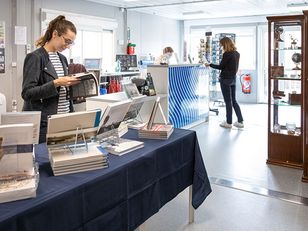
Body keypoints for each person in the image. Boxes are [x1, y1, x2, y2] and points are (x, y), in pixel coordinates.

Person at [21, 15, 80, 143]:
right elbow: (27, 93)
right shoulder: (35, 57)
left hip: (64, 119)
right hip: (44, 123)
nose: (68, 46)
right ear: (55, 34)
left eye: (71, 43)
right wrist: (56, 83)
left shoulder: (62, 59)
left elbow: (63, 91)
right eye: (67, 41)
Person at [205, 37, 244, 129]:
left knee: (228, 101)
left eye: (221, 44)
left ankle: (229, 122)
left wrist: (209, 64)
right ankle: (240, 121)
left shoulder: (227, 54)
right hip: (233, 79)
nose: (220, 46)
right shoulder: (237, 54)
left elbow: (221, 66)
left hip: (225, 79)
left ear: (225, 44)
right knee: (233, 101)